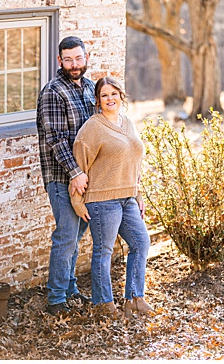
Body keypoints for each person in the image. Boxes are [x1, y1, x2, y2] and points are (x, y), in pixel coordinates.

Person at [70, 76, 152, 317]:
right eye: (104, 95)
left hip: (128, 197)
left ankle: (134, 298)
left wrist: (138, 193)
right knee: (104, 251)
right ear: (98, 100)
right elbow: (79, 166)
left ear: (120, 96)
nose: (110, 99)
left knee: (140, 242)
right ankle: (104, 303)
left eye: (113, 94)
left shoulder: (127, 122)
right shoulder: (92, 128)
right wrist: (77, 201)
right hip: (101, 200)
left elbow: (134, 162)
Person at [36, 35, 98, 316]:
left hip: (87, 179)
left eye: (79, 58)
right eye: (68, 59)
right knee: (66, 236)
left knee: (77, 236)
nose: (74, 64)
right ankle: (56, 299)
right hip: (63, 179)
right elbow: (56, 139)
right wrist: (74, 173)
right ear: (59, 61)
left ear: (86, 58)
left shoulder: (88, 88)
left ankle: (70, 287)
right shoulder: (53, 92)